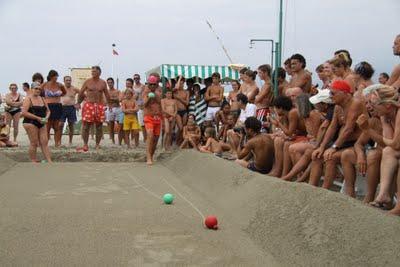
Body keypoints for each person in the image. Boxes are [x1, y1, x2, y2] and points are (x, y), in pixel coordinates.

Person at [309, 80, 365, 189]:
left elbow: (349, 129)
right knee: (317, 155)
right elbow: (332, 128)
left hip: (358, 142)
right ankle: (312, 188)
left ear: (344, 93)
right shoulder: (338, 107)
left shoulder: (355, 104)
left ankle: (325, 190)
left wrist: (334, 147)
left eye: (332, 93)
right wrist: (321, 146)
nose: (330, 96)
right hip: (345, 142)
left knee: (330, 156)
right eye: (330, 93)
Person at [358, 85, 399, 213]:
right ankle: (384, 195)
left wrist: (367, 130)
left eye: (374, 103)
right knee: (387, 152)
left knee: (391, 153)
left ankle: (396, 205)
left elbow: (396, 144)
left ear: (387, 105)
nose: (370, 106)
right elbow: (389, 143)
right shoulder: (385, 116)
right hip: (395, 148)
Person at [280, 89, 334, 182]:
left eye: (297, 104)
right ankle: (299, 176)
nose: (295, 106)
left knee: (293, 148)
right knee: (293, 148)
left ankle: (298, 177)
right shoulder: (306, 116)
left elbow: (317, 133)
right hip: (314, 141)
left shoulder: (314, 114)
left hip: (318, 142)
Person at [340, 86, 383, 199]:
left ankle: (369, 198)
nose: (368, 107)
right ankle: (350, 195)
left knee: (373, 155)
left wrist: (367, 129)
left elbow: (391, 145)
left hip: (387, 156)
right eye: (366, 103)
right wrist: (360, 155)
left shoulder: (391, 118)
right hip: (376, 155)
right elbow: (358, 143)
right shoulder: (373, 121)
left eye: (371, 103)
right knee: (347, 154)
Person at [268, 95, 307, 177]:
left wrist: (278, 123)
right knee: (279, 140)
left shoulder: (293, 112)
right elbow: (287, 132)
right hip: (299, 135)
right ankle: (279, 171)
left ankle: (284, 173)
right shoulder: (286, 114)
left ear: (281, 108)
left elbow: (289, 132)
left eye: (276, 108)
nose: (275, 110)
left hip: (305, 136)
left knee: (286, 144)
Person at [78, 66, 110, 150]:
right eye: (92, 71)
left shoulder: (103, 83)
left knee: (99, 126)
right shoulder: (87, 82)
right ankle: (85, 144)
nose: (93, 73)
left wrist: (109, 104)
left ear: (99, 72)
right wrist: (78, 103)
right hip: (89, 105)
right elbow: (81, 93)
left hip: (99, 105)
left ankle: (97, 144)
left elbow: (107, 94)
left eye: (94, 71)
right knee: (86, 126)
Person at [21, 82, 52, 163]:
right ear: (32, 89)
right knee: (34, 142)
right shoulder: (28, 99)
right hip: (30, 122)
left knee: (44, 142)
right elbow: (24, 112)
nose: (38, 90)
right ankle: (33, 160)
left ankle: (49, 160)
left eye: (39, 89)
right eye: (36, 88)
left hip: (42, 121)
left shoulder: (42, 99)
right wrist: (37, 118)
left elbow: (48, 111)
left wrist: (46, 118)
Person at [42, 70, 67, 147]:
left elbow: (64, 92)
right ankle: (45, 144)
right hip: (48, 105)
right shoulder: (45, 84)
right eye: (54, 76)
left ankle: (57, 143)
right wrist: (43, 99)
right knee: (47, 126)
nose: (55, 78)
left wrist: (59, 95)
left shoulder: (60, 85)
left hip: (57, 105)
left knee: (57, 126)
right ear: (50, 76)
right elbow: (37, 91)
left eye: (56, 76)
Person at [143, 75, 162, 165]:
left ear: (156, 84)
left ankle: (151, 154)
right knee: (150, 135)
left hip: (157, 118)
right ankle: (148, 157)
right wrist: (149, 98)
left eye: (154, 84)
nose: (152, 86)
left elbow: (160, 104)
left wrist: (155, 96)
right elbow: (144, 105)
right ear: (148, 85)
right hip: (148, 117)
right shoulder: (145, 92)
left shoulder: (158, 93)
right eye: (151, 84)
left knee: (156, 139)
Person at [60, 76, 80, 146]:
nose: (68, 81)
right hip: (62, 108)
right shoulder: (61, 88)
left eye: (69, 80)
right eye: (67, 80)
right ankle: (59, 141)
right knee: (60, 125)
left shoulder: (74, 88)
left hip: (71, 108)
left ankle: (70, 141)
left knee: (71, 125)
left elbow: (83, 94)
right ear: (64, 81)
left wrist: (78, 103)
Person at [255, 64, 274, 132]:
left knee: (260, 130)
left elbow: (258, 99)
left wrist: (256, 97)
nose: (258, 75)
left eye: (260, 72)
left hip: (263, 109)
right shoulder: (266, 84)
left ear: (265, 73)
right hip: (261, 109)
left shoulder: (268, 85)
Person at [106, 77, 123, 145]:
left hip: (118, 108)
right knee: (111, 126)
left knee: (120, 126)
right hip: (110, 109)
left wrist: (111, 99)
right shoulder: (106, 92)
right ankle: (113, 141)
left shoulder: (118, 91)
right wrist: (114, 99)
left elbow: (119, 99)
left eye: (111, 82)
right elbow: (106, 100)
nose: (110, 84)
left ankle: (119, 141)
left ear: (113, 83)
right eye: (108, 83)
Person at [173, 76, 190, 144]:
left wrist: (179, 98)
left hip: (184, 111)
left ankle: (180, 141)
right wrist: (179, 79)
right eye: (180, 83)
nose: (181, 85)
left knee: (183, 128)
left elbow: (187, 103)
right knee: (180, 127)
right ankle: (177, 141)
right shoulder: (175, 91)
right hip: (177, 111)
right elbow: (176, 88)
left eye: (182, 83)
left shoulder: (186, 92)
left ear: (184, 84)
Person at [133, 73, 146, 142]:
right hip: (136, 106)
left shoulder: (143, 86)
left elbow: (144, 96)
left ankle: (145, 137)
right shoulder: (133, 87)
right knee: (136, 123)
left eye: (137, 78)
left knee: (143, 123)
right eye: (135, 78)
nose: (136, 79)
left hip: (142, 106)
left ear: (139, 78)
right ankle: (135, 138)